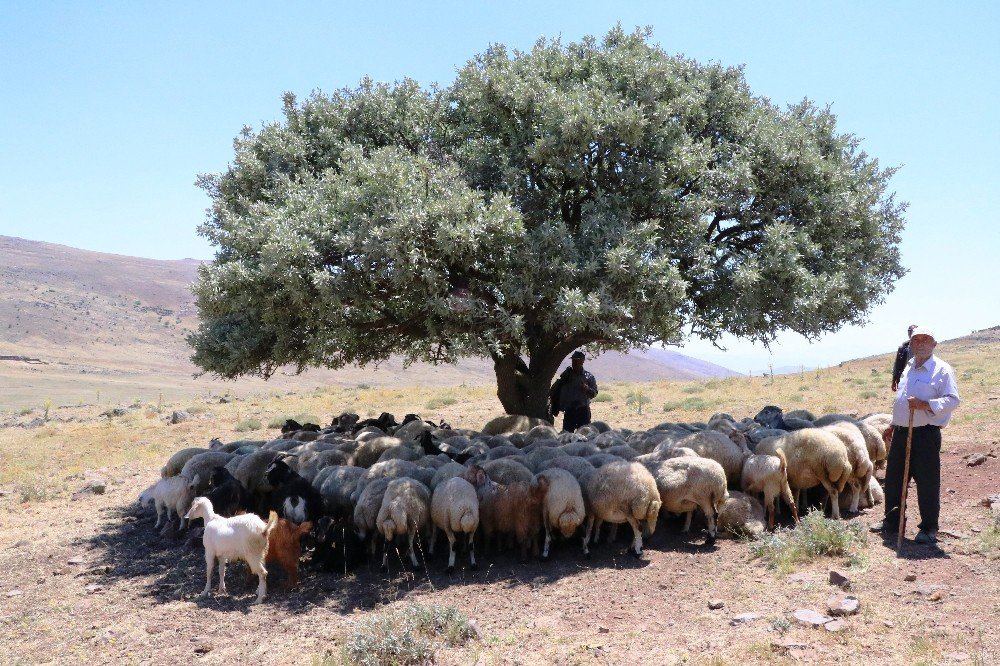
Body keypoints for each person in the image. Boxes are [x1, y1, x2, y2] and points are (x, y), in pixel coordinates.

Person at [872, 327, 960, 544]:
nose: (920, 343)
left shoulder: (942, 370)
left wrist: (925, 405)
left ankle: (929, 528)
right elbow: (902, 399)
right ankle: (893, 521)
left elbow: (953, 400)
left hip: (925, 435)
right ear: (910, 344)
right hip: (902, 432)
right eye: (916, 340)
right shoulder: (909, 367)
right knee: (894, 479)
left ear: (934, 344)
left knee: (927, 482)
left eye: (925, 339)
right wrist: (894, 423)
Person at [549, 351, 599, 432]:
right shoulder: (566, 375)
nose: (574, 363)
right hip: (569, 411)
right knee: (567, 436)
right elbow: (556, 389)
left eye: (577, 360)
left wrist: (587, 389)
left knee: (585, 435)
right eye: (573, 360)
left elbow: (594, 393)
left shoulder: (588, 377)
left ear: (582, 361)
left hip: (583, 410)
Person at [891, 324, 919, 392]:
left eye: (913, 331)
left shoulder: (923, 347)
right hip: (904, 377)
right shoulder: (903, 348)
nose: (911, 333)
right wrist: (894, 380)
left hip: (919, 378)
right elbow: (897, 365)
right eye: (909, 331)